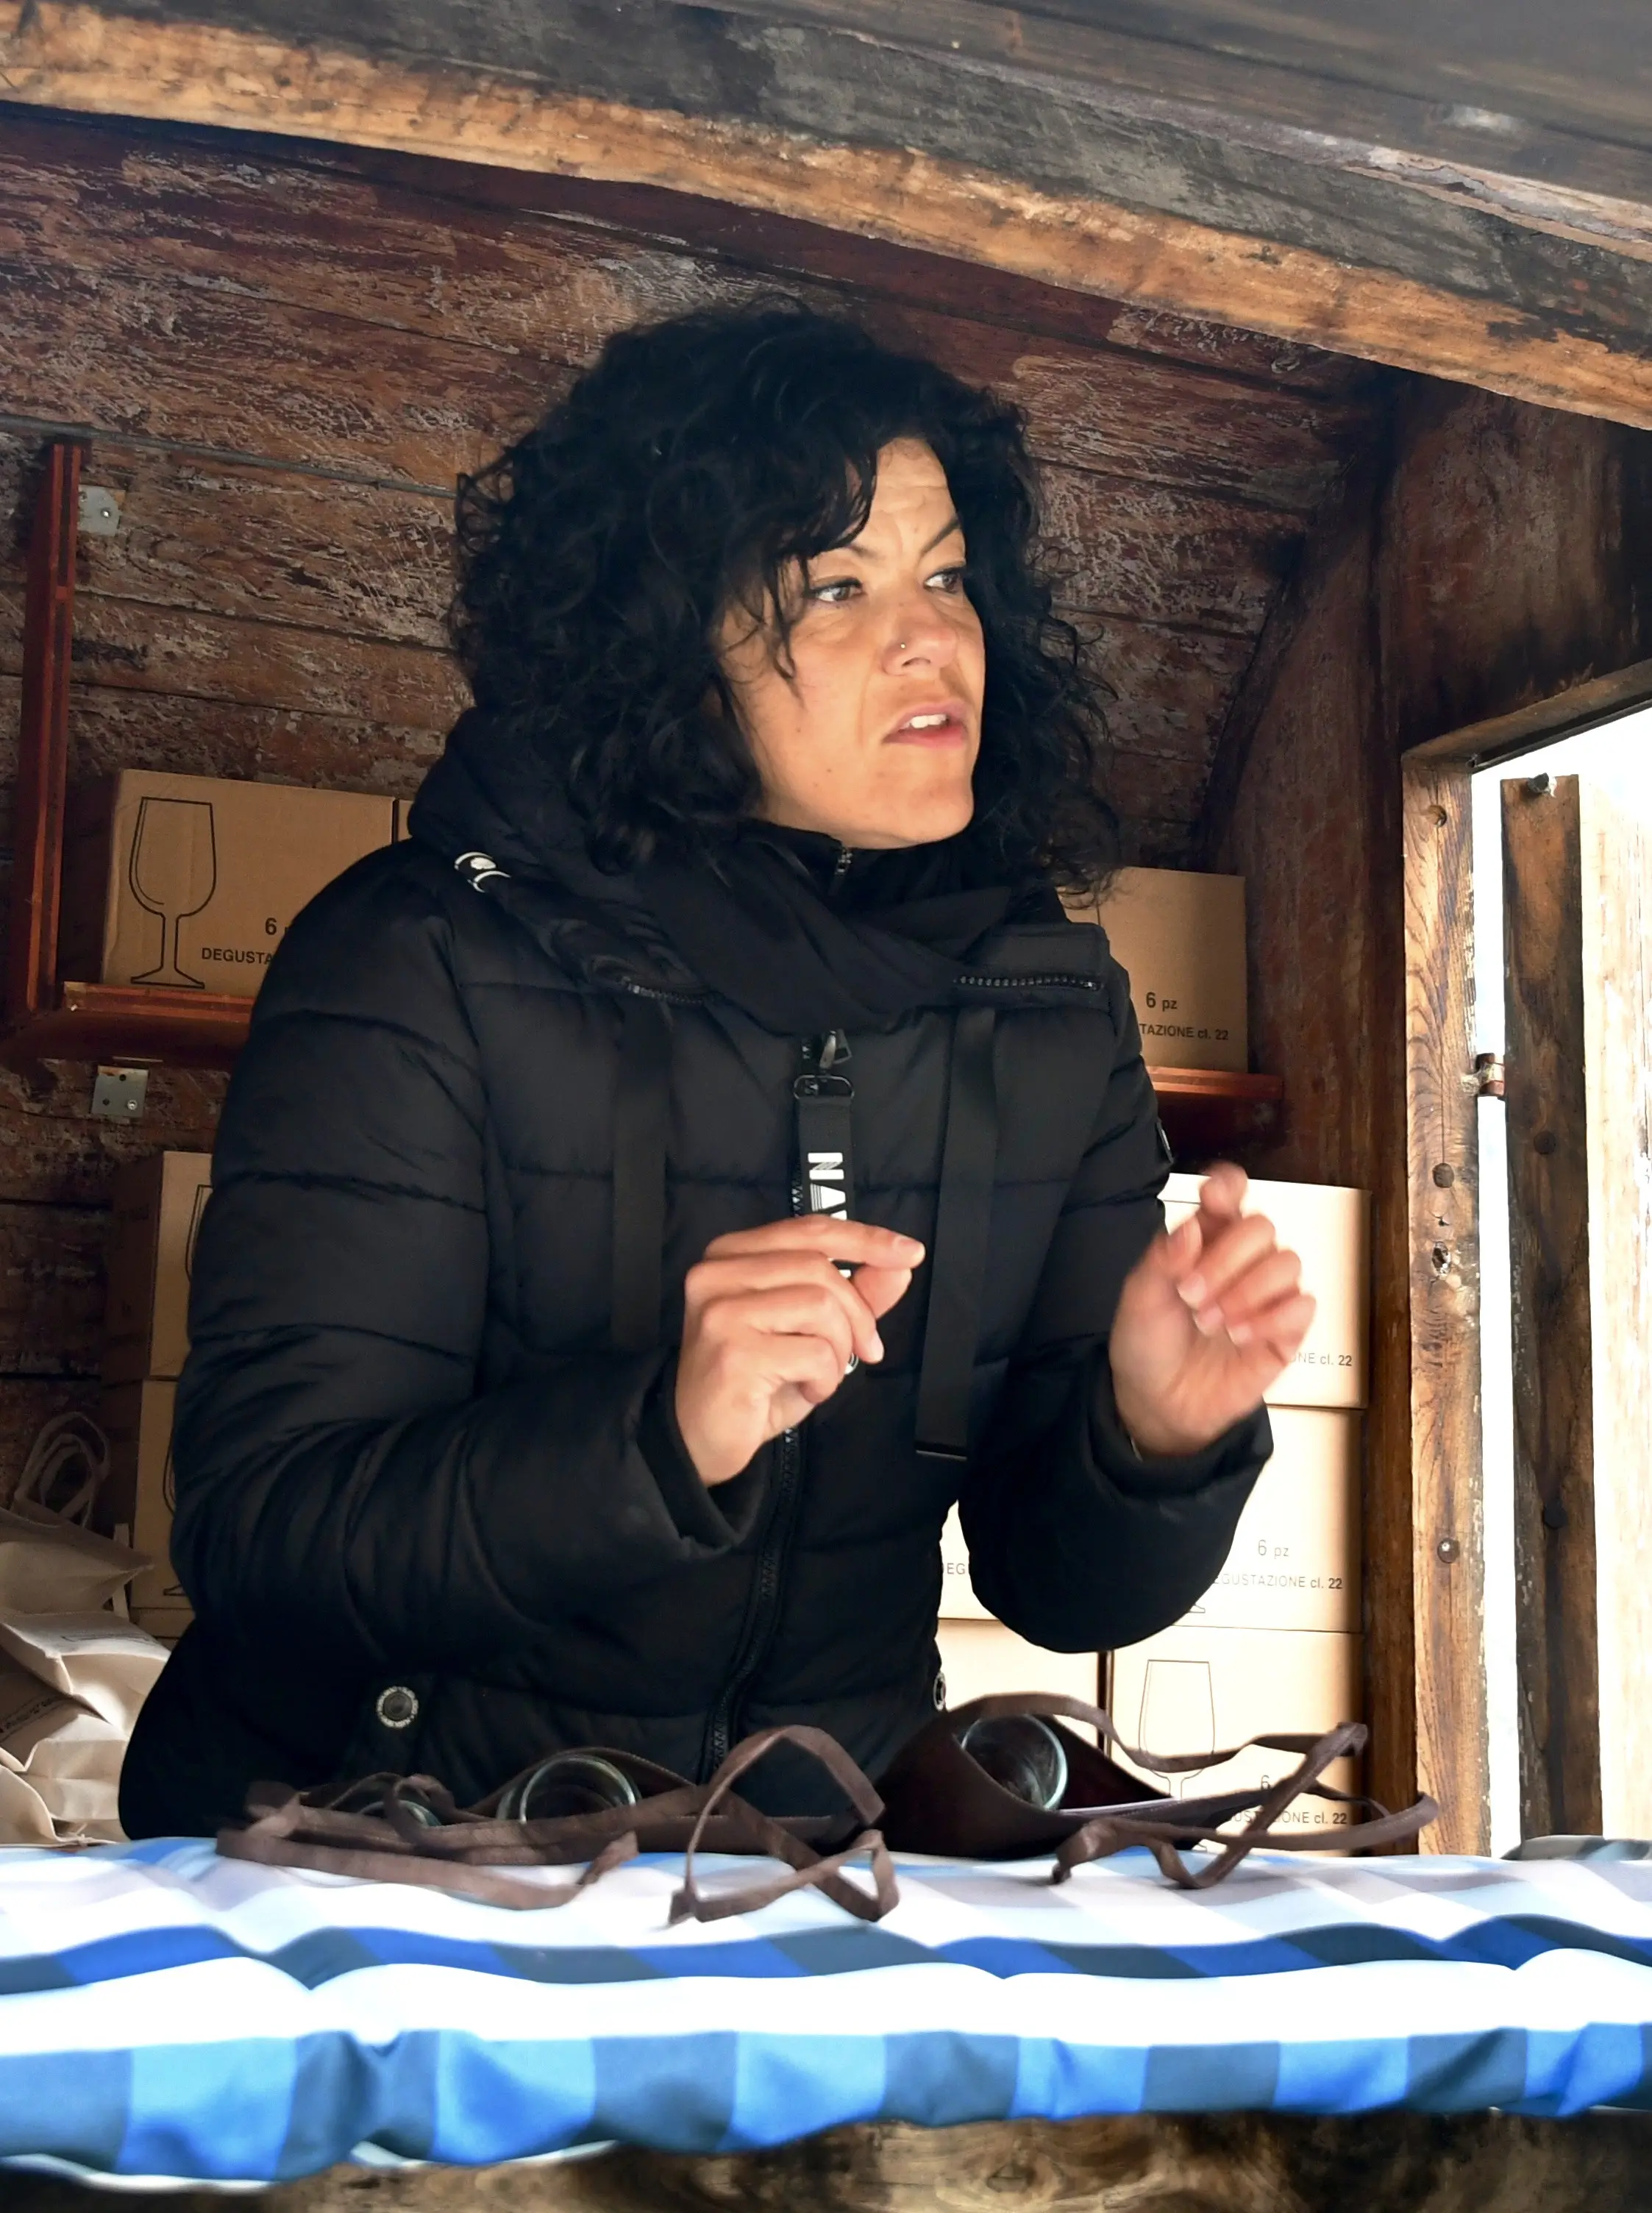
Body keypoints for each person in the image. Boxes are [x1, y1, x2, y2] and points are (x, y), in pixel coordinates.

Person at [119, 302, 1313, 1837]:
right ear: (663, 648)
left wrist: (1155, 1438)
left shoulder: (1041, 1003)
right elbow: (265, 1535)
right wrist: (658, 1437)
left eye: (948, 574)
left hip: (789, 1873)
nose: (931, 638)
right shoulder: (413, 959)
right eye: (836, 589)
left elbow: (1057, 1584)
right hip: (389, 1855)